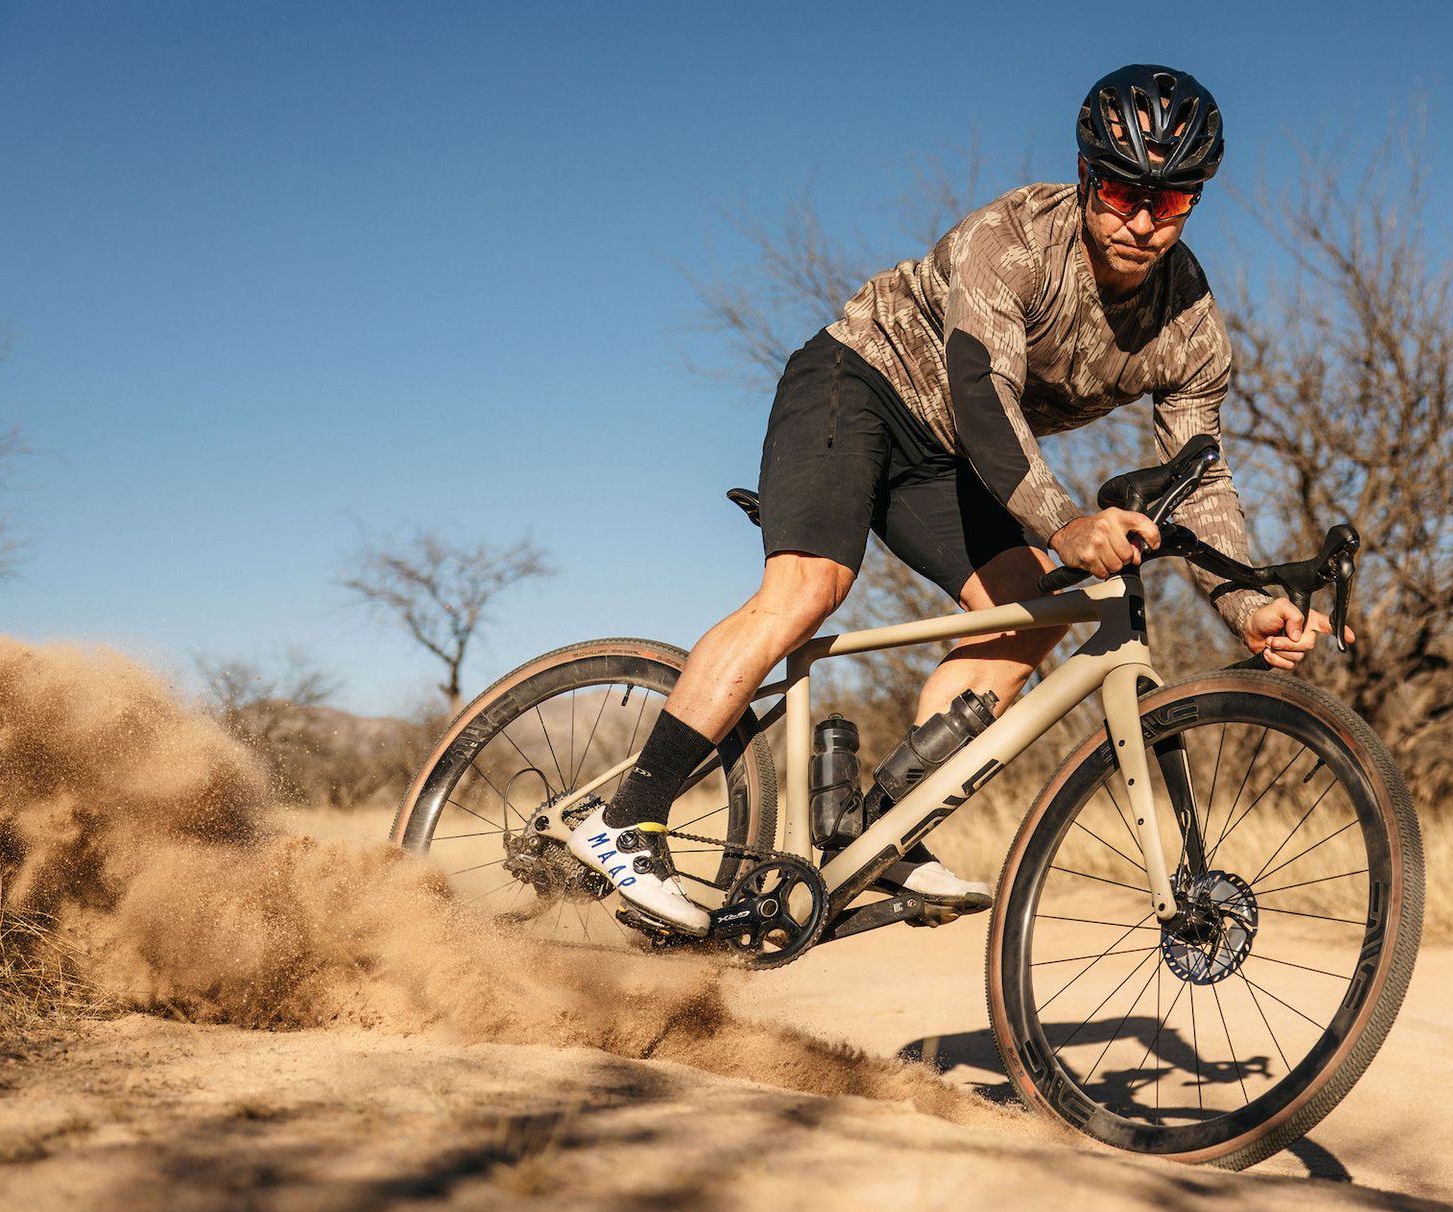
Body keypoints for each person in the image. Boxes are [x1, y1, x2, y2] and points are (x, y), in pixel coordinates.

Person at [569, 64, 1347, 934]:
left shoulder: (1190, 325)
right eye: (1124, 192)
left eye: (1169, 204)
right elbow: (981, 396)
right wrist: (1064, 520)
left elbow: (1200, 473)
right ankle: (625, 816)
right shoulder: (1012, 238)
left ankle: (885, 828)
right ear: (1089, 178)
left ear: (1194, 203)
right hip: (860, 381)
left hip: (945, 459)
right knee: (811, 586)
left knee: (1040, 610)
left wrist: (1246, 603)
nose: (1140, 221)